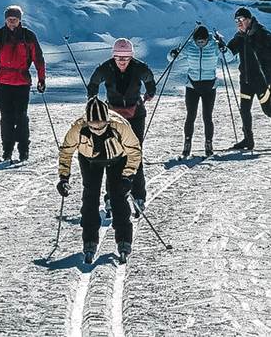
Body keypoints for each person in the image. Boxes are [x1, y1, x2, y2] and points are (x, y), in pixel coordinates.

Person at [56, 96, 141, 264]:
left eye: (101, 124)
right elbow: (66, 151)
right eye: (93, 125)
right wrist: (63, 177)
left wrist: (128, 176)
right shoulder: (78, 128)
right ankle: (89, 240)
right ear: (87, 121)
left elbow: (134, 150)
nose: (97, 128)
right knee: (90, 197)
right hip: (90, 161)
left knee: (118, 197)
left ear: (107, 120)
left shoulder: (120, 126)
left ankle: (124, 240)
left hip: (117, 159)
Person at [87, 38, 154, 215]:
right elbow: (93, 82)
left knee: (135, 153)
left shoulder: (139, 67)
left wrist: (151, 91)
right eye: (118, 57)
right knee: (112, 154)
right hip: (113, 116)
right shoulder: (106, 68)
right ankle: (111, 196)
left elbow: (149, 78)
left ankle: (139, 196)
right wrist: (92, 98)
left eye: (125, 58)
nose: (122, 61)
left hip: (135, 115)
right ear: (113, 57)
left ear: (131, 56)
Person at [0, 5, 46, 162]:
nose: (11, 23)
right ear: (5, 20)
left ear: (19, 20)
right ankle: (7, 151)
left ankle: (23, 150)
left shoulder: (28, 36)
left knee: (21, 117)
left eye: (14, 20)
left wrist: (41, 79)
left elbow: (38, 58)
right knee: (6, 117)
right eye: (9, 20)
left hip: (22, 82)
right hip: (4, 82)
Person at [218, 7, 271, 149]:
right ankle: (248, 140)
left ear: (249, 20)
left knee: (269, 111)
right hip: (246, 80)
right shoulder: (239, 37)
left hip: (262, 81)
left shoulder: (263, 34)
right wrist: (222, 46)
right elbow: (228, 55)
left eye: (241, 20)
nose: (239, 23)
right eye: (236, 21)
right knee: (245, 110)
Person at [169, 25, 224, 156]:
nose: (200, 43)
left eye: (203, 41)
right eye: (198, 41)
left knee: (207, 117)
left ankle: (208, 143)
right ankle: (187, 143)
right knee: (190, 116)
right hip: (192, 86)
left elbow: (229, 58)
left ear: (207, 39)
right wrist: (173, 53)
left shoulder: (214, 46)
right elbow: (171, 59)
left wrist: (223, 47)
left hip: (209, 87)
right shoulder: (189, 46)